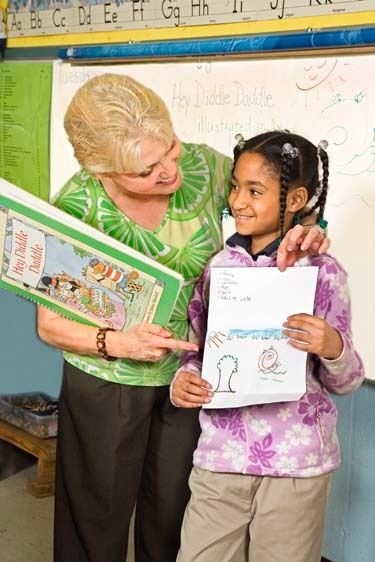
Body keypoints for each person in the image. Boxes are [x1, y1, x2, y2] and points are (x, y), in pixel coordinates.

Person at [36, 74, 329, 562]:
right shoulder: (75, 206)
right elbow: (50, 324)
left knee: (173, 513)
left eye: (169, 148)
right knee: (96, 517)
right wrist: (123, 343)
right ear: (102, 170)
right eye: (148, 169)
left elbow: (276, 210)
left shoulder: (204, 166)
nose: (171, 169)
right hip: (109, 376)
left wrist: (310, 231)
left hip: (194, 374)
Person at [172, 131, 364, 562]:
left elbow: (348, 380)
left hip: (296, 463)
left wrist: (331, 345)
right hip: (220, 455)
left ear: (295, 199)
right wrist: (184, 379)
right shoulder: (218, 268)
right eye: (235, 186)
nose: (238, 201)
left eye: (255, 190)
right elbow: (196, 349)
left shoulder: (322, 273)